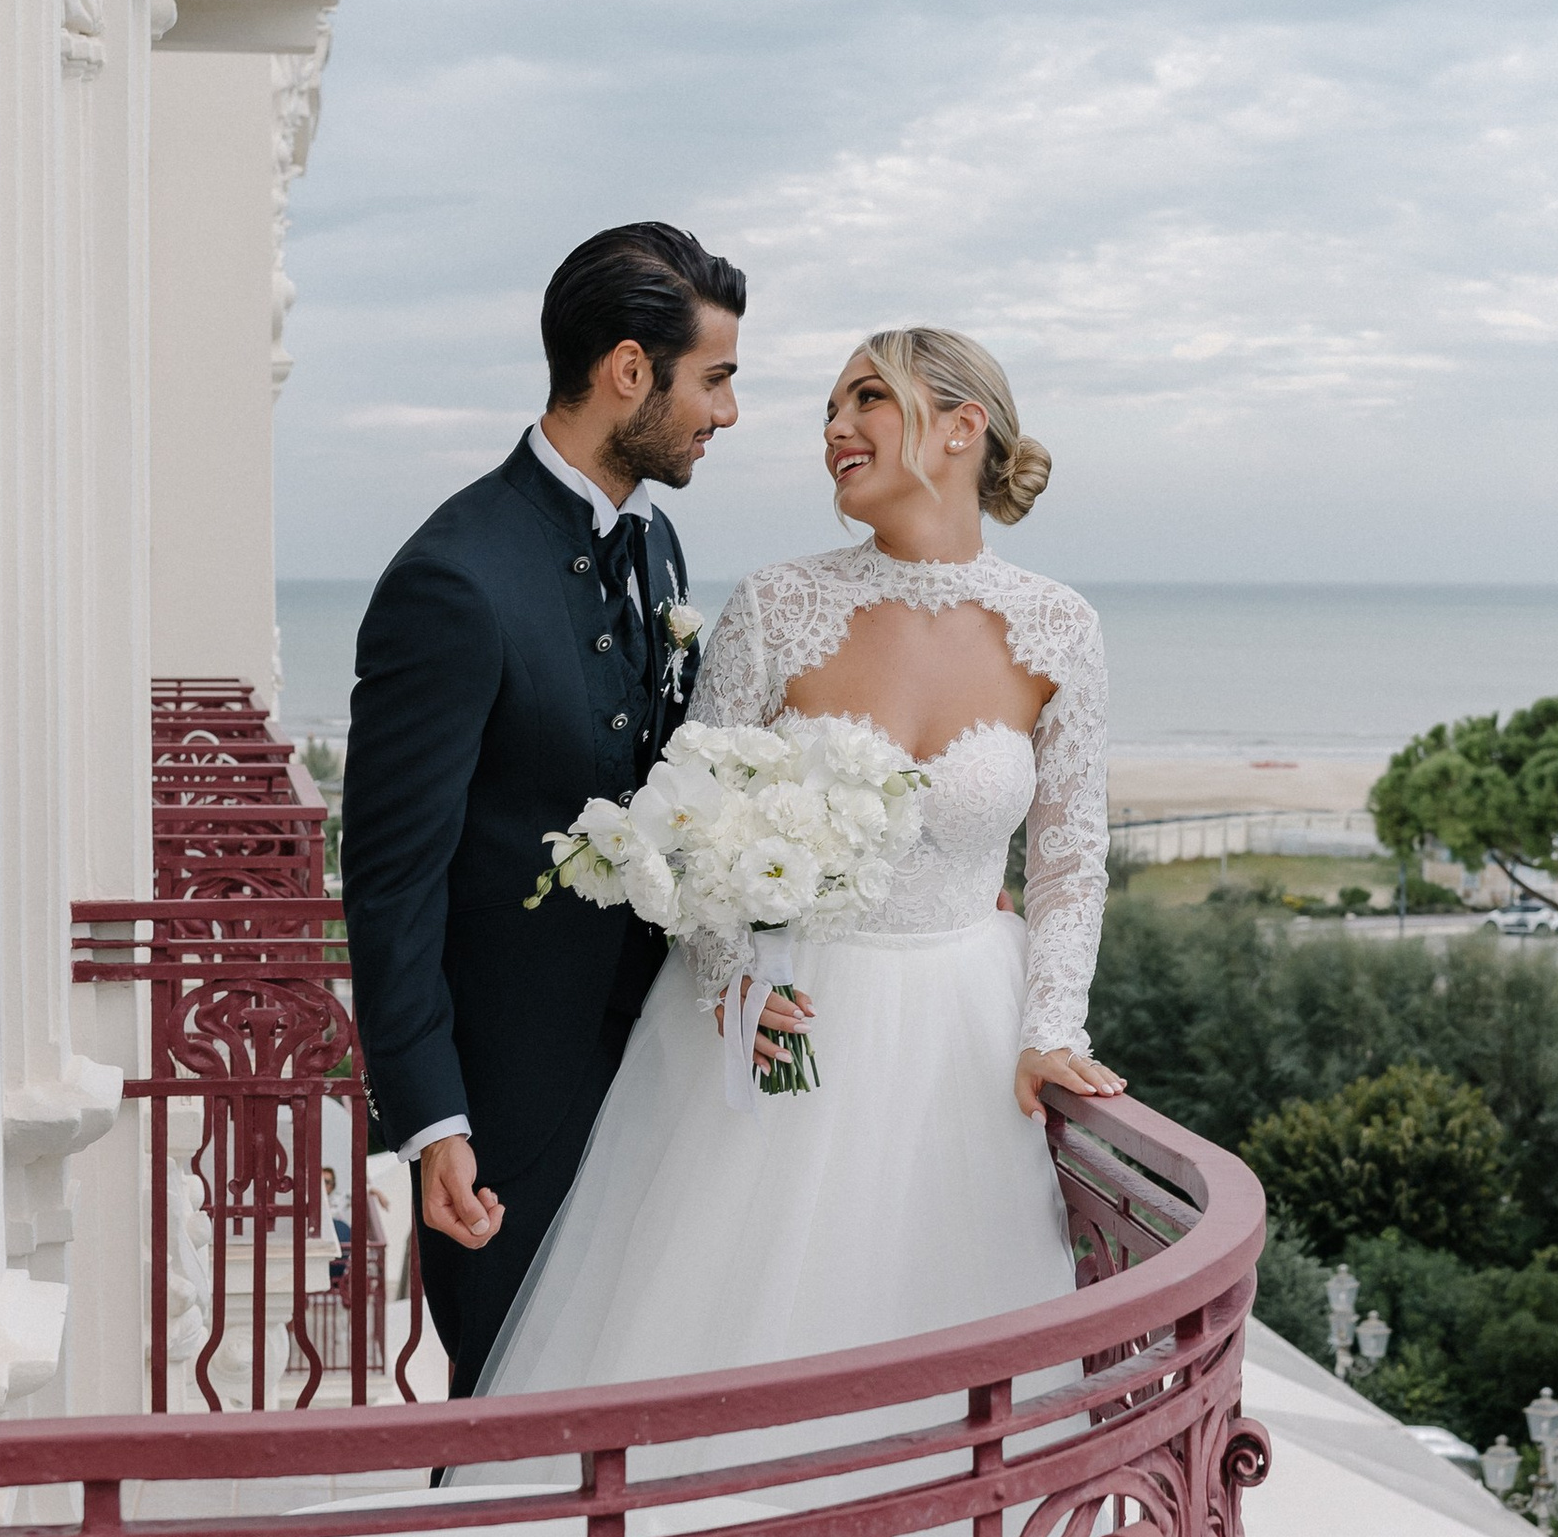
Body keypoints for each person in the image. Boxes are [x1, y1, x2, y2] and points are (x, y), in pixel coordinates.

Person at [477, 324, 1123, 1403]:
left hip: (963, 1045)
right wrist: (734, 971)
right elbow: (689, 816)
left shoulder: (1059, 628)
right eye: (830, 407)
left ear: (963, 427)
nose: (833, 428)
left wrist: (1052, 1026)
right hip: (775, 1037)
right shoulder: (779, 605)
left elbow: (1069, 860)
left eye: (867, 399)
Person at [339, 221, 745, 1394]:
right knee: (513, 1421)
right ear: (629, 370)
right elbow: (393, 881)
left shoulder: (655, 541)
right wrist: (432, 1125)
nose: (724, 414)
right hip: (510, 1112)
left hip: (654, 1078)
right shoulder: (451, 579)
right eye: (712, 380)